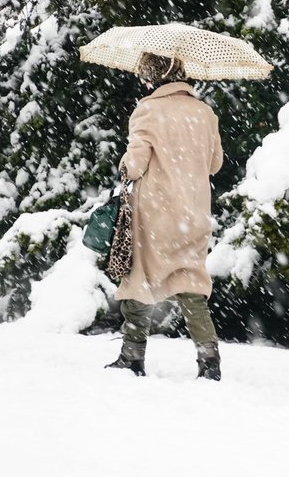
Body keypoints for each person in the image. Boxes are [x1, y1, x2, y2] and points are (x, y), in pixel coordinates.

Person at [105, 53, 224, 380]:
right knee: (191, 284)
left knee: (138, 280)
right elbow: (215, 165)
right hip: (194, 212)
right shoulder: (205, 113)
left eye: (145, 76)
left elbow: (135, 164)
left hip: (155, 214)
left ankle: (132, 355)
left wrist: (123, 164)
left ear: (154, 78)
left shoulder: (148, 110)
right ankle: (208, 358)